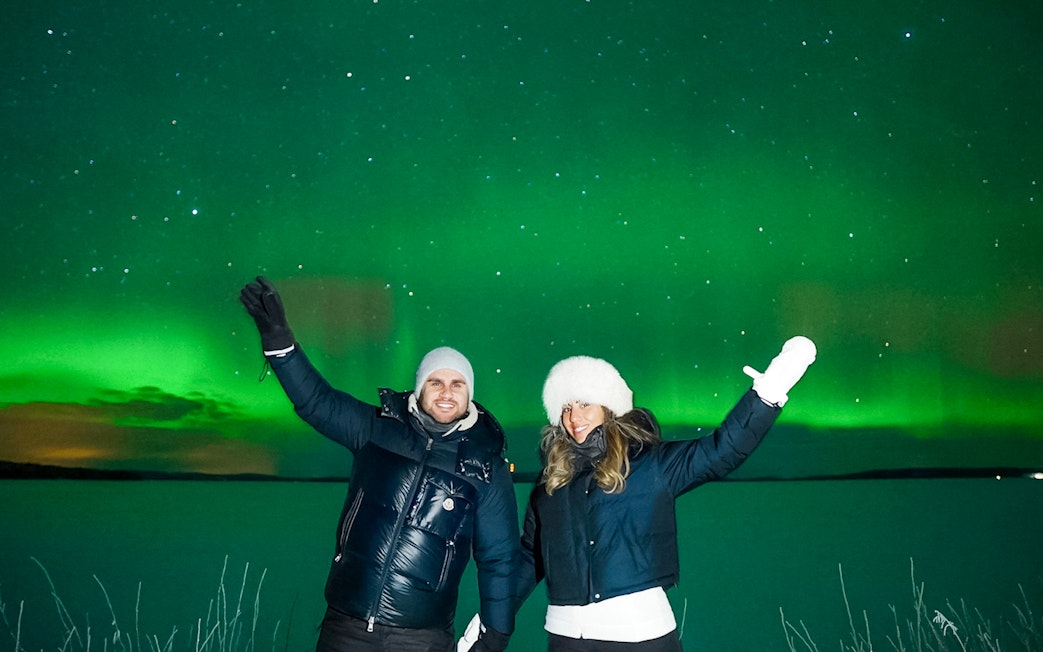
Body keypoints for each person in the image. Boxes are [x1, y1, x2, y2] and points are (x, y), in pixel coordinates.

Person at [240, 276, 519, 652]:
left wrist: (496, 635)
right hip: (347, 625)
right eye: (436, 382)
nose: (447, 392)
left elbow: (500, 558)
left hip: (422, 636)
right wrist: (280, 343)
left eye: (457, 384)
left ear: (469, 394)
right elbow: (316, 402)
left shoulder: (486, 467)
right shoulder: (377, 429)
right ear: (419, 389)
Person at [511, 336, 816, 651]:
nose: (574, 418)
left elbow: (723, 450)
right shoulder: (550, 485)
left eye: (585, 403)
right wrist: (490, 619)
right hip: (565, 638)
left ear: (607, 407)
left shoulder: (650, 465)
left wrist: (770, 388)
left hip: (640, 635)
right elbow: (529, 558)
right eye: (566, 407)